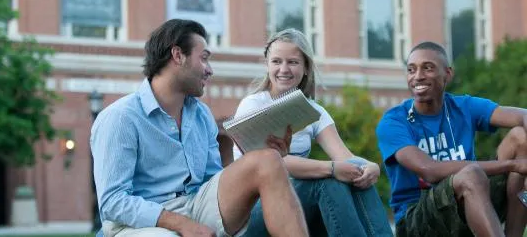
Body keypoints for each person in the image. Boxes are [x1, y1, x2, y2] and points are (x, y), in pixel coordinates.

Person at [90, 19, 309, 237]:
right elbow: (112, 202)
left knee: (268, 160)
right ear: (178, 56)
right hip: (139, 224)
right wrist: (180, 224)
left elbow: (212, 182)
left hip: (195, 205)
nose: (209, 70)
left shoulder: (201, 115)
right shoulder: (120, 117)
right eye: (203, 58)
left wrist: (262, 160)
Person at [232, 28, 393, 237]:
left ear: (306, 67)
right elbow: (272, 163)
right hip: (254, 208)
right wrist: (331, 169)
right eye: (277, 61)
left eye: (293, 62)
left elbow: (345, 158)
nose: (284, 69)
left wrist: (369, 167)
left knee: (359, 175)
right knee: (327, 182)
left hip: (296, 207)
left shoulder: (314, 111)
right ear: (267, 65)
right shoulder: (252, 105)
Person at [376, 41, 527, 237]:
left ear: (448, 74)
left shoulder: (463, 106)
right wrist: (513, 165)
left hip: (471, 200)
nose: (417, 76)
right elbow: (429, 170)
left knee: (521, 138)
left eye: (427, 68)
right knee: (471, 173)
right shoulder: (394, 121)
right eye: (411, 70)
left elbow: (523, 115)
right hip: (418, 219)